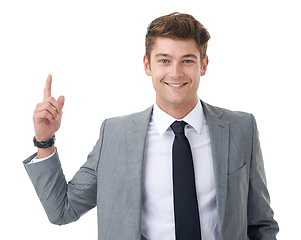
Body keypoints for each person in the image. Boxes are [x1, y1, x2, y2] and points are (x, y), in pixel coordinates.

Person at [24, 12, 279, 240]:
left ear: (204, 64)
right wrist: (44, 141)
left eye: (188, 61)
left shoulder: (241, 128)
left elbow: (261, 224)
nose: (176, 73)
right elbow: (62, 210)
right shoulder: (115, 135)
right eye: (164, 60)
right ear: (148, 65)